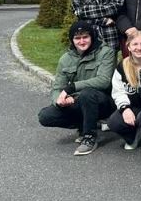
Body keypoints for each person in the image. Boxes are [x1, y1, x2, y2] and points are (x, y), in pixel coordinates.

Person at [37, 20, 116, 156]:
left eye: (85, 37)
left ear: (92, 36)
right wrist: (59, 101)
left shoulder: (106, 52)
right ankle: (83, 124)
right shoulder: (65, 59)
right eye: (77, 38)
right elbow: (57, 87)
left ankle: (89, 137)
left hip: (103, 102)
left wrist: (71, 88)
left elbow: (104, 81)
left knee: (87, 94)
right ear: (72, 40)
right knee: (45, 116)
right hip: (78, 102)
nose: (81, 41)